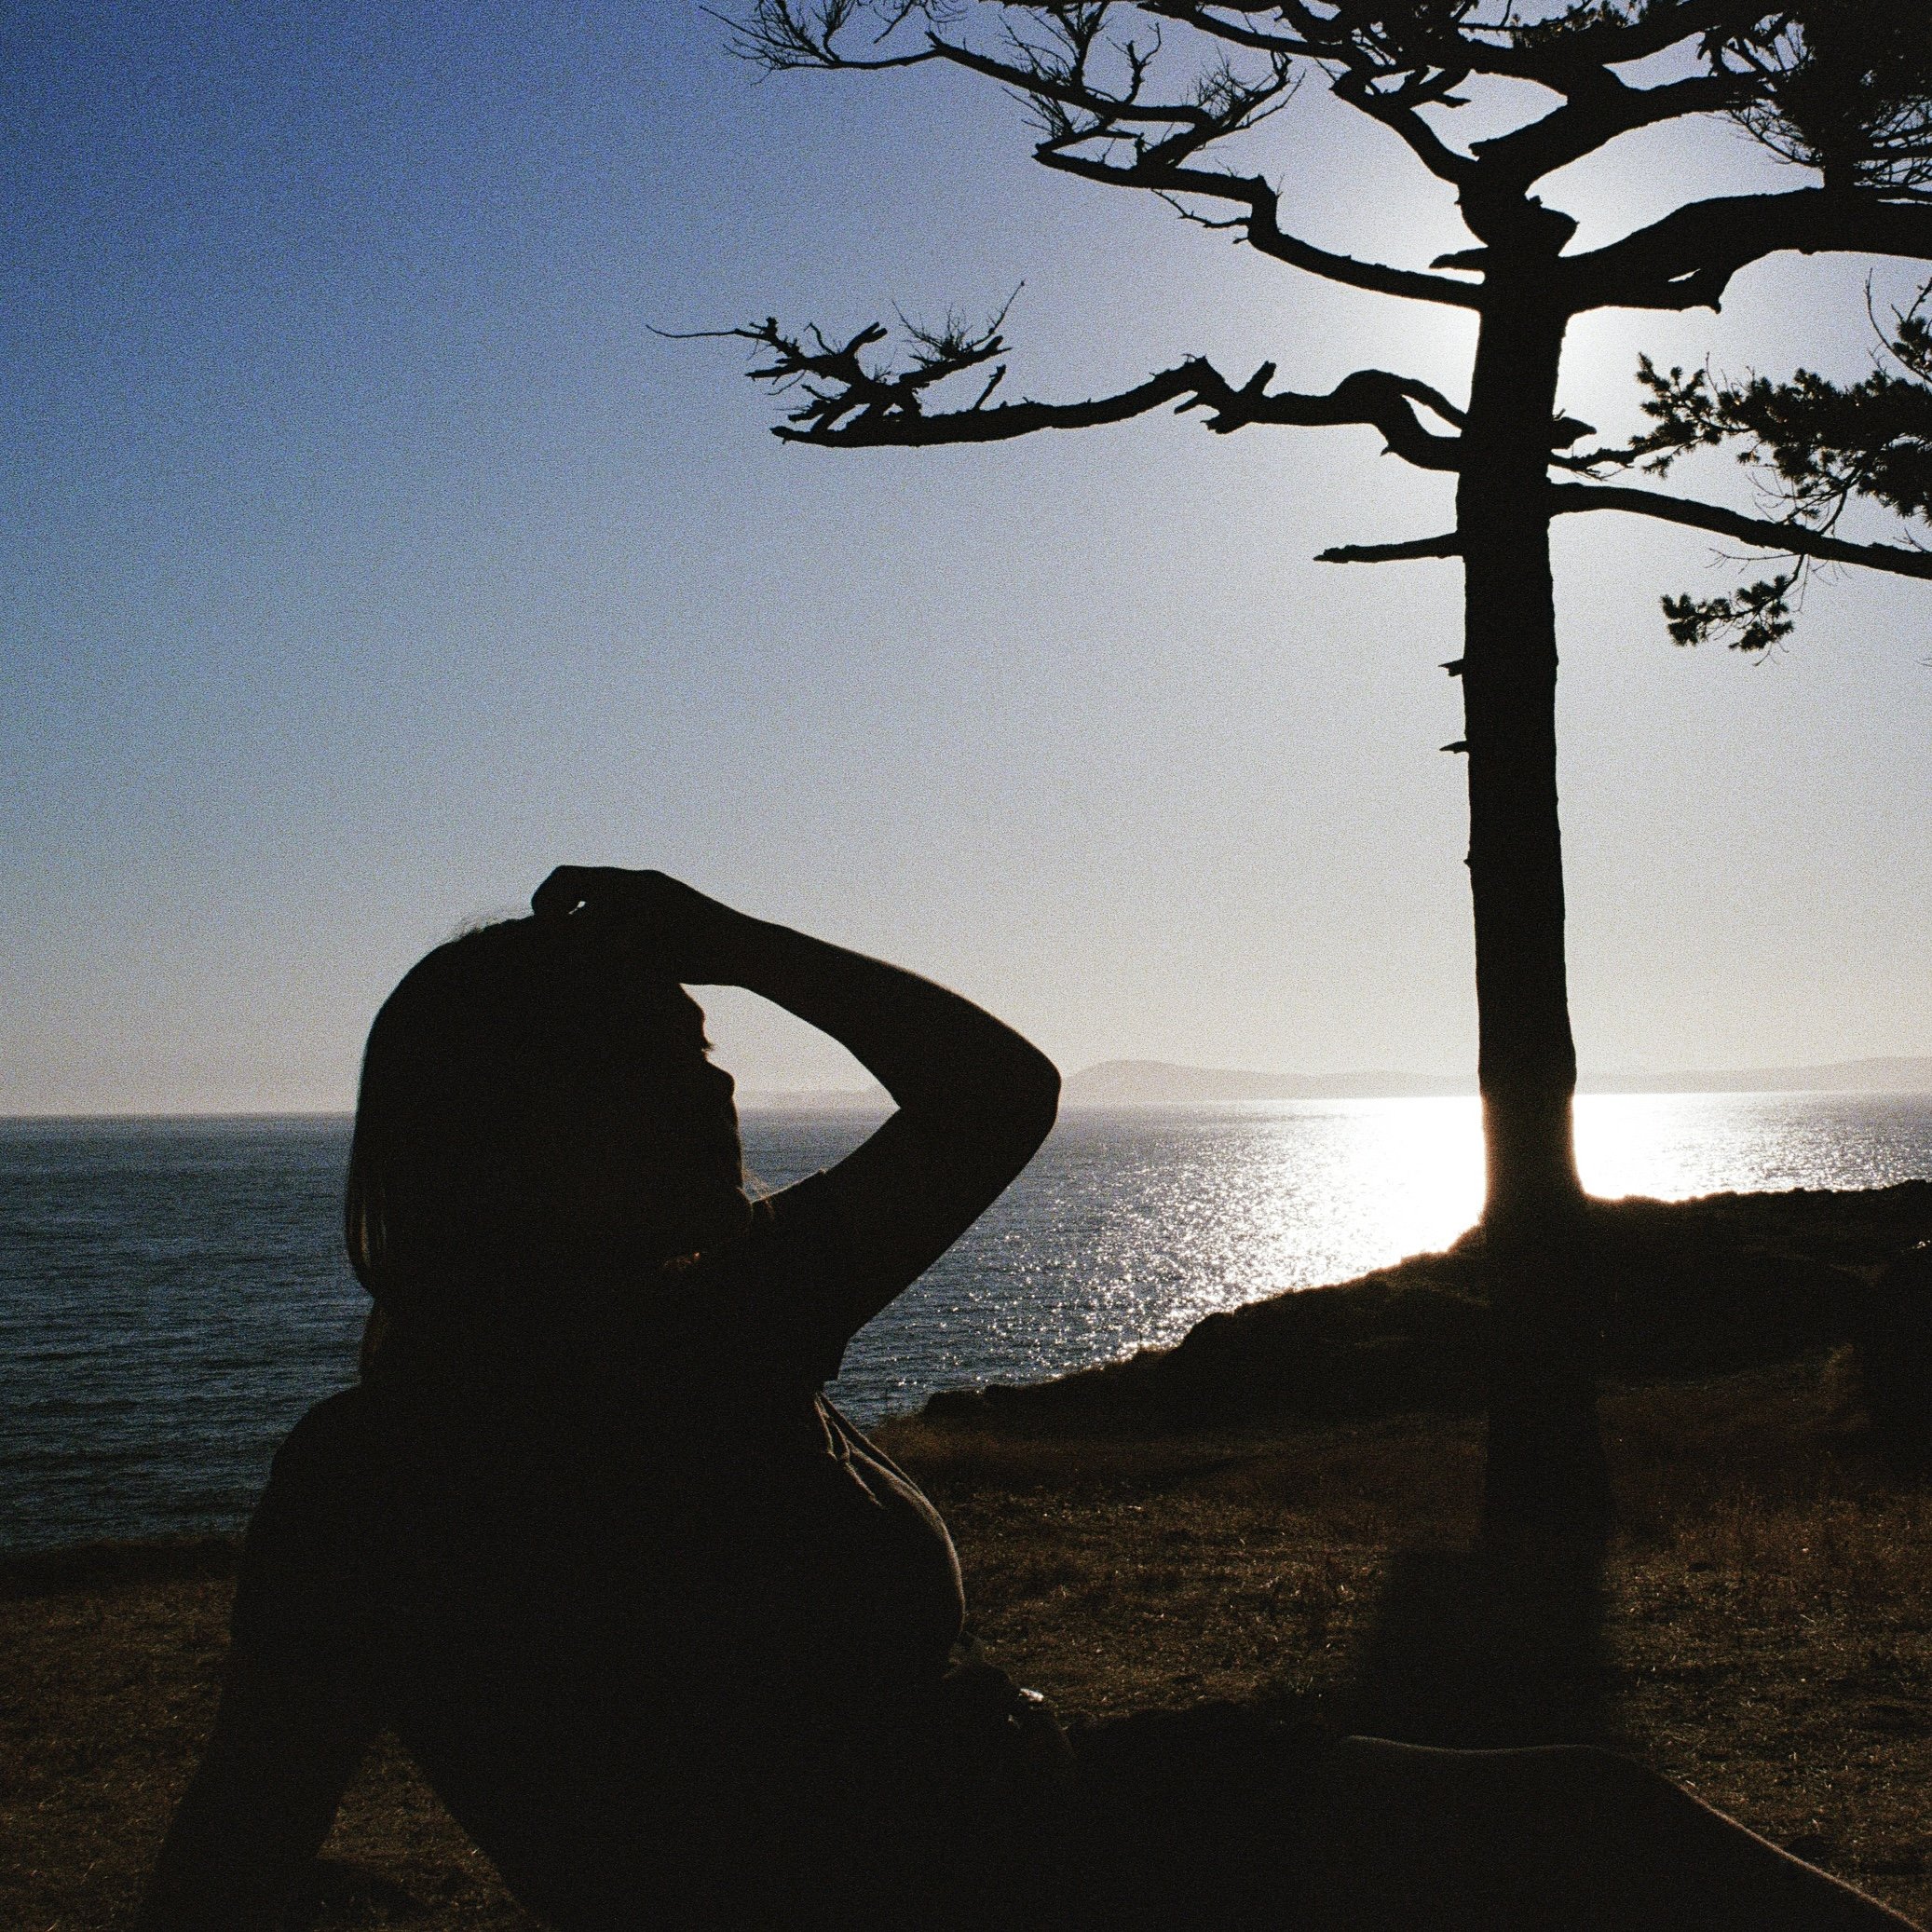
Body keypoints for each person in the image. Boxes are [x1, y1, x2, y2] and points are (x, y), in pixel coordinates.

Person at [138, 869, 1920, 1932]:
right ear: (495, 1137)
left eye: (705, 1050)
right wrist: (739, 938)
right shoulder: (693, 1343)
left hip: (1049, 1835)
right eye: (641, 1072)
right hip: (1044, 1876)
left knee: (1580, 1829)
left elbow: (239, 1831)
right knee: (1596, 1836)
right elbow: (994, 1088)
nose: (714, 1095)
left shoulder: (359, 1461)